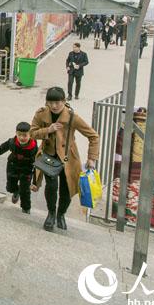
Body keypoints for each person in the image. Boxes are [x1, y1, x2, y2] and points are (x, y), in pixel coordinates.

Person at [30, 87, 99, 232]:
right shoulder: (41, 114)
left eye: (58, 102)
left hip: (68, 159)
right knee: (51, 186)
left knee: (66, 190)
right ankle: (51, 213)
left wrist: (91, 158)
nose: (54, 106)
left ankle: (61, 214)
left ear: (64, 101)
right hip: (49, 157)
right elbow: (32, 133)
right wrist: (48, 130)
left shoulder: (72, 117)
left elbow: (93, 136)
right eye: (51, 102)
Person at [0, 122, 38, 214]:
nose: (22, 138)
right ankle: (16, 191)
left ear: (30, 135)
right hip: (12, 166)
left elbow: (37, 166)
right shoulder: (12, 142)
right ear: (16, 133)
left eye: (25, 135)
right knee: (10, 188)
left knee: (25, 190)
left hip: (26, 170)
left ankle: (26, 209)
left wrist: (35, 182)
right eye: (19, 135)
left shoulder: (34, 148)